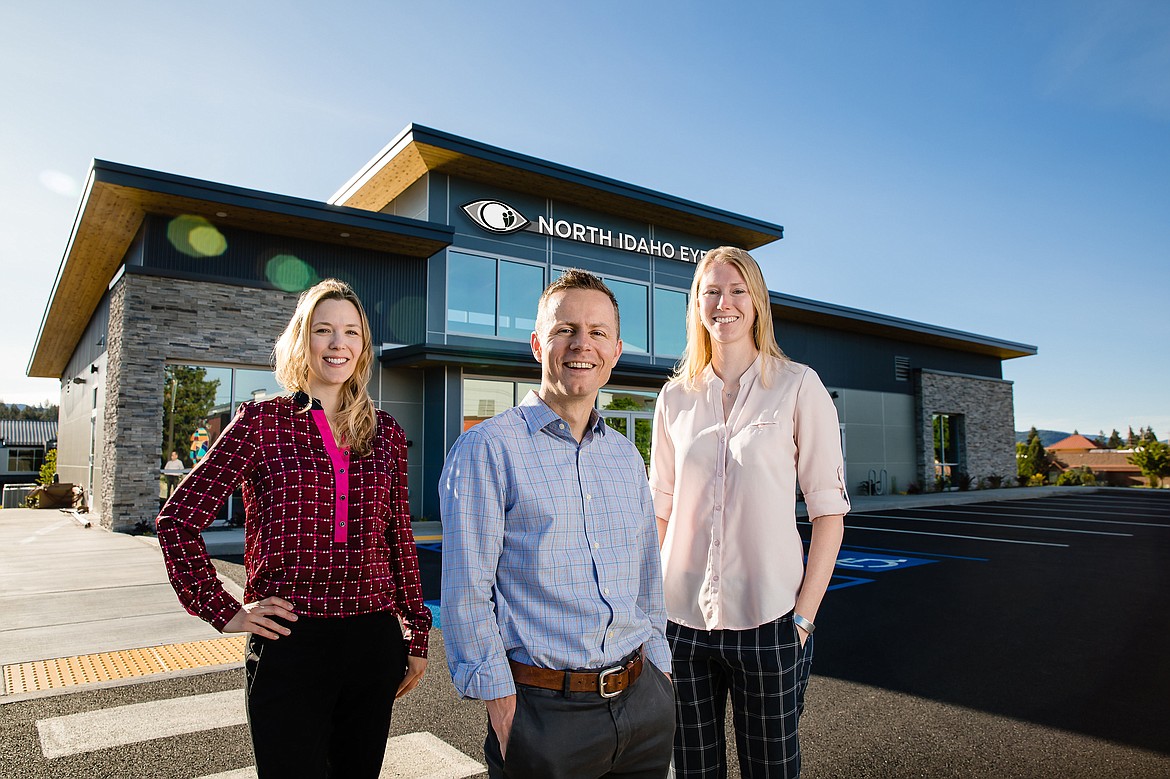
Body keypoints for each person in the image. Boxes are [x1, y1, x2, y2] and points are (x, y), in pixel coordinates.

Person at [156, 279, 431, 779]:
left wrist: (415, 633)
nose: (337, 343)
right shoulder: (260, 423)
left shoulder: (386, 432)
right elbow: (178, 519)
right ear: (302, 341)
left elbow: (398, 538)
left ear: (363, 346)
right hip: (290, 641)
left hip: (372, 640)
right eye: (323, 330)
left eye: (350, 332)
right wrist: (224, 611)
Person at [440, 269, 676, 779]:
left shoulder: (626, 457)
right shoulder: (486, 450)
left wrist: (661, 669)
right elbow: (466, 592)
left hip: (643, 706)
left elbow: (645, 576)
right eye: (564, 329)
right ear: (536, 344)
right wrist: (503, 708)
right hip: (544, 717)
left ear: (615, 351)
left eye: (597, 333)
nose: (580, 344)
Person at [650, 247, 849, 778]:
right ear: (696, 305)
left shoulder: (798, 386)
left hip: (771, 621)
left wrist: (803, 618)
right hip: (682, 625)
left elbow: (829, 513)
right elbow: (661, 512)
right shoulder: (674, 397)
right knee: (692, 770)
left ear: (756, 303)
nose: (724, 303)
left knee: (772, 770)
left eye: (737, 290)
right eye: (711, 292)